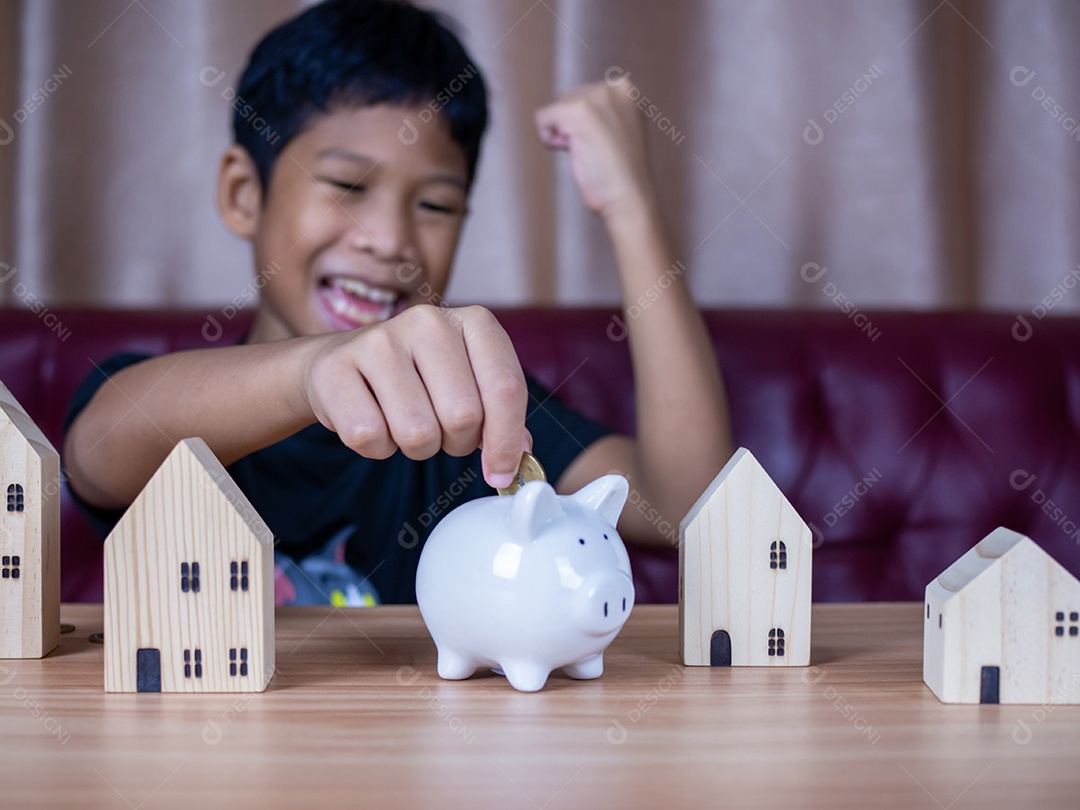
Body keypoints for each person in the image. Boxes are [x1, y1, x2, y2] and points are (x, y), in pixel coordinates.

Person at [63, 0, 730, 605]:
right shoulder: (169, 402)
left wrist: (631, 207)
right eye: (348, 184)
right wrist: (315, 371)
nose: (390, 241)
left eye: (436, 204)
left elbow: (685, 505)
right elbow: (95, 454)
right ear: (244, 193)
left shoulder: (473, 415)